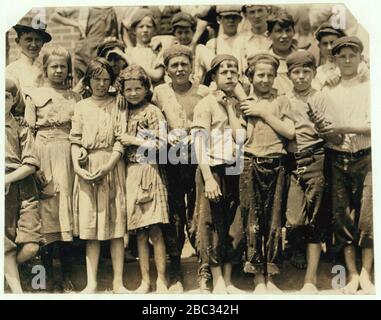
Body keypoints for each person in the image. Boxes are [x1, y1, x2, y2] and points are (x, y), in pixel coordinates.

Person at [315, 36, 374, 294]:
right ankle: (351, 274)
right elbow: (326, 130)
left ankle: (366, 274)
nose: (348, 60)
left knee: (368, 217)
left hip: (368, 156)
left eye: (353, 55)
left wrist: (343, 127)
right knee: (342, 217)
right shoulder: (327, 90)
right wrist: (329, 131)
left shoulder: (372, 87)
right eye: (342, 56)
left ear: (361, 57)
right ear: (335, 60)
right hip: (337, 158)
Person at [152, 45, 210, 292]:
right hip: (171, 159)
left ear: (192, 66)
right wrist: (165, 135)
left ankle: (204, 268)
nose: (179, 69)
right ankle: (175, 269)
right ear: (166, 69)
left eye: (184, 64)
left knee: (198, 214)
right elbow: (150, 120)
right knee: (174, 215)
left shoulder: (205, 92)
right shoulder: (159, 92)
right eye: (174, 65)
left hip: (198, 158)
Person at [24, 46, 81, 293]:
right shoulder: (33, 95)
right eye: (54, 66)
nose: (59, 70)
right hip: (43, 153)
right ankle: (45, 277)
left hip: (68, 156)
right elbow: (28, 133)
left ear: (68, 69)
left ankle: (66, 276)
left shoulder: (76, 97)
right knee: (46, 212)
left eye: (63, 66)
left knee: (66, 211)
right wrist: (33, 165)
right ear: (45, 68)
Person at [70, 58, 128, 294]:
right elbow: (74, 139)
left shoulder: (118, 104)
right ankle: (91, 282)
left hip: (112, 167)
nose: (102, 84)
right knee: (91, 227)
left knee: (115, 228)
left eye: (106, 80)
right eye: (97, 79)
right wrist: (77, 165)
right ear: (88, 81)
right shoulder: (81, 106)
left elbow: (120, 141)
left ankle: (118, 282)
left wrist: (108, 166)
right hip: (87, 168)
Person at [284, 50, 341, 293]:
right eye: (296, 72)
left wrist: (321, 127)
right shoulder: (284, 98)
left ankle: (311, 278)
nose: (301, 76)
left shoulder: (321, 97)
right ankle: (297, 249)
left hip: (316, 157)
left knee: (316, 218)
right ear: (289, 75)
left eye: (306, 71)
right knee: (295, 218)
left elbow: (336, 135)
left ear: (314, 73)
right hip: (291, 162)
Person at [239, 52, 295, 293]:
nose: (265, 79)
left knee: (274, 221)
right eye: (260, 74)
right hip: (250, 162)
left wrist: (263, 112)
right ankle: (256, 276)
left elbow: (290, 132)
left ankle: (271, 274)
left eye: (270, 75)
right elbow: (239, 136)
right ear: (251, 76)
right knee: (253, 220)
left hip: (276, 162)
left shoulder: (281, 101)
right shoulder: (243, 100)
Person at [192, 55, 244, 294]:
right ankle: (217, 279)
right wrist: (208, 177)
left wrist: (231, 109)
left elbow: (240, 138)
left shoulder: (237, 103)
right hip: (211, 168)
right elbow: (198, 143)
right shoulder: (205, 104)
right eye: (224, 72)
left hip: (234, 168)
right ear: (213, 77)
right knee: (211, 224)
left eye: (234, 71)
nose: (230, 75)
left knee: (232, 225)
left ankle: (228, 279)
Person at [116, 65, 169, 293]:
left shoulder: (153, 111)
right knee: (140, 232)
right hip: (130, 173)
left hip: (149, 169)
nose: (134, 93)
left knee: (155, 231)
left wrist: (134, 140)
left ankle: (162, 281)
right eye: (129, 89)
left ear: (147, 88)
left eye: (138, 88)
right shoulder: (122, 111)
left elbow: (163, 144)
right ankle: (145, 280)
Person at [5, 77, 42, 293]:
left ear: (13, 99)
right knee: (6, 245)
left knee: (31, 246)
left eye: (6, 97)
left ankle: (9, 272)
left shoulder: (20, 126)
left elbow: (31, 164)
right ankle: (17, 291)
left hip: (23, 187)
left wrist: (7, 179)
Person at [51, 7, 119, 84]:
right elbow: (54, 16)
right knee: (83, 84)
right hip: (86, 52)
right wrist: (76, 24)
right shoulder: (84, 6)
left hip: (105, 53)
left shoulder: (113, 7)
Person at [6, 16, 52, 116]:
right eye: (28, 39)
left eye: (38, 40)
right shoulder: (11, 70)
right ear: (18, 41)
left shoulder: (49, 68)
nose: (34, 44)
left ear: (43, 43)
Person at [124, 8, 165, 86]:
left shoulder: (158, 50)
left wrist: (134, 64)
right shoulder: (129, 52)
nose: (145, 30)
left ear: (154, 29)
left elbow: (157, 75)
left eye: (149, 26)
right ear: (134, 30)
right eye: (141, 26)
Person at [267, 10, 298, 94]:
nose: (284, 36)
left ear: (294, 32)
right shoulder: (264, 60)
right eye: (279, 31)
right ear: (269, 34)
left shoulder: (302, 56)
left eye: (288, 30)